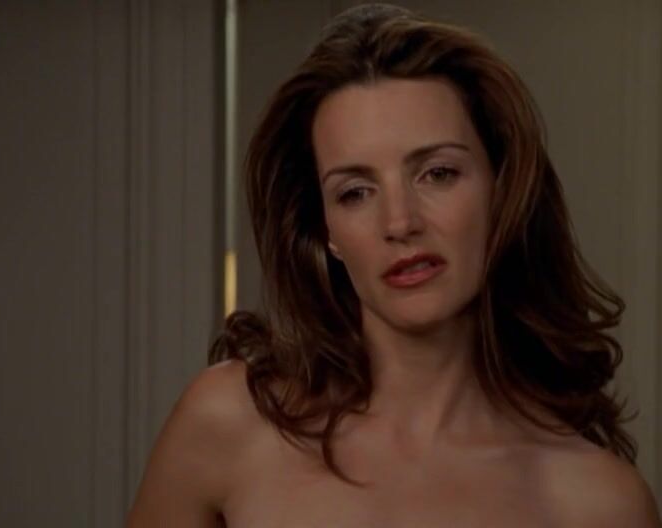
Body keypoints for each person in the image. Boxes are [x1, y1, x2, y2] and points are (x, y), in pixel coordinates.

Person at [126, 4, 661, 527]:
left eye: (438, 173)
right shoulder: (229, 424)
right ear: (326, 231)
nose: (400, 222)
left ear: (502, 189)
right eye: (355, 192)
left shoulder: (597, 502)